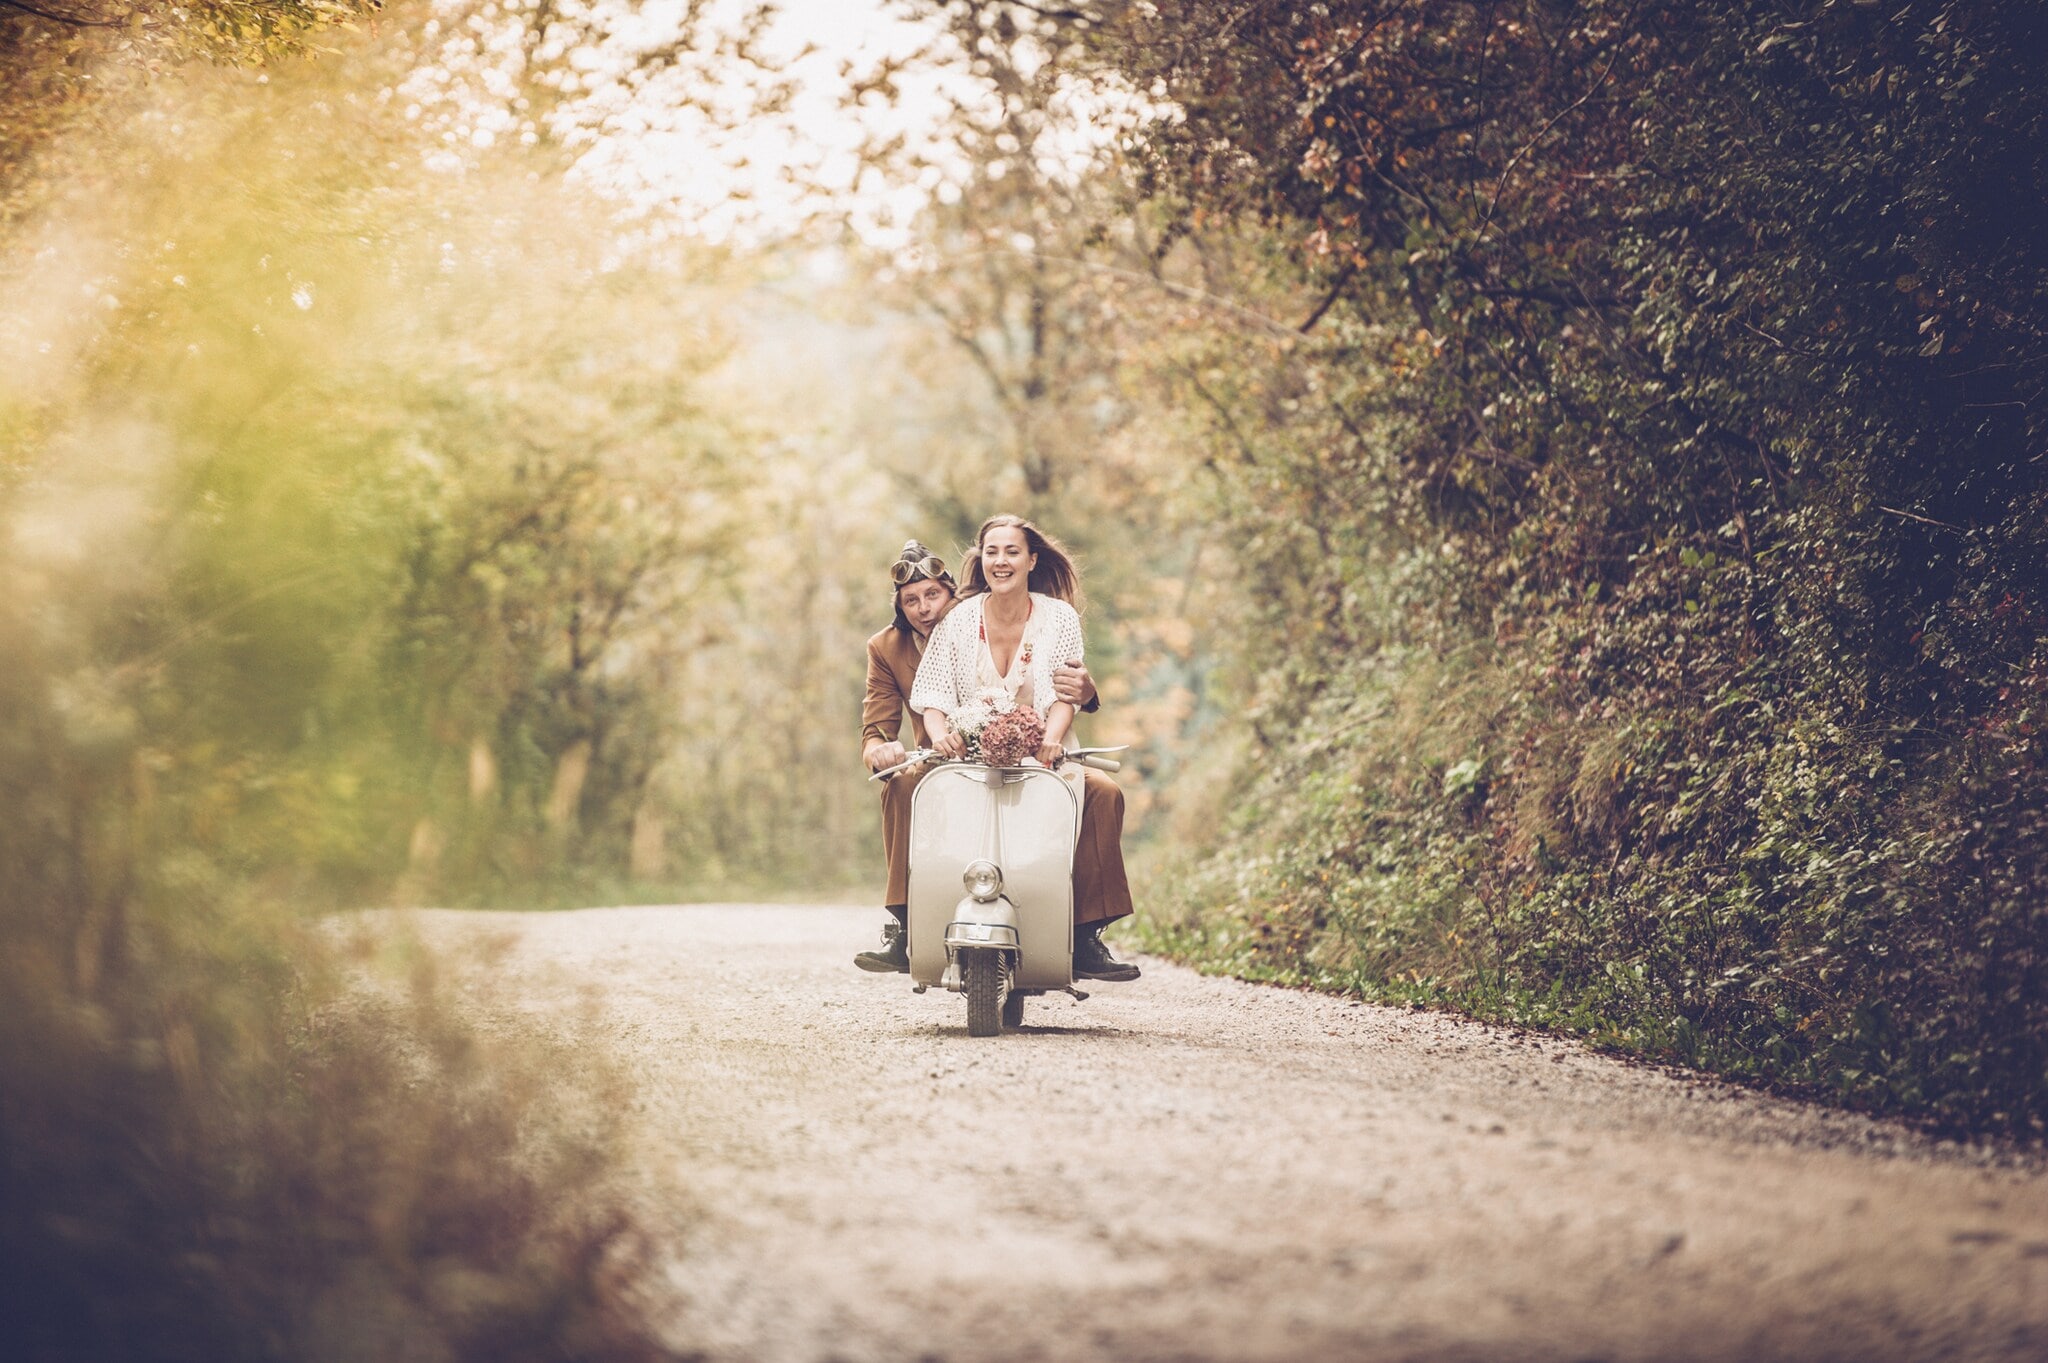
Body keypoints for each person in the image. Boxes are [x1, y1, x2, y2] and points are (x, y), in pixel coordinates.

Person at [858, 536, 1138, 981]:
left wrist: (1085, 693)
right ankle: (904, 922)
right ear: (899, 606)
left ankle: (1086, 932)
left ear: (954, 594)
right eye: (911, 600)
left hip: (1034, 750)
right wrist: (881, 752)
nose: (924, 608)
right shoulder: (887, 648)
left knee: (1102, 792)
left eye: (933, 594)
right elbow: (876, 727)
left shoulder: (978, 618)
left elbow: (1060, 674)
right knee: (902, 783)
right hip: (944, 762)